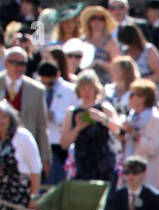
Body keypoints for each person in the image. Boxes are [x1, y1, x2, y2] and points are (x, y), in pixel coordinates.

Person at [0, 99, 42, 210]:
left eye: (3, 117)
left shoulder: (22, 137)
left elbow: (35, 168)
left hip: (20, 194)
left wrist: (33, 195)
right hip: (3, 195)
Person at [0, 45, 52, 176]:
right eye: (14, 63)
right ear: (5, 63)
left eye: (23, 63)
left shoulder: (36, 90)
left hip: (25, 150)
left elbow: (42, 125)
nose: (19, 67)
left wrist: (45, 157)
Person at [60, 69, 118, 182]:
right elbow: (64, 144)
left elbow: (119, 130)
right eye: (83, 88)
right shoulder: (72, 112)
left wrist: (101, 118)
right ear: (78, 90)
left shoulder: (105, 108)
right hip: (82, 164)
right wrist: (78, 128)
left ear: (96, 89)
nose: (86, 92)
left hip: (104, 163)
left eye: (89, 88)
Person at [37, 59, 76, 184]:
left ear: (58, 75)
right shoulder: (36, 88)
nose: (48, 85)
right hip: (44, 140)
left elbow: (78, 115)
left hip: (62, 141)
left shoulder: (71, 91)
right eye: (45, 82)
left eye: (51, 83)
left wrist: (55, 117)